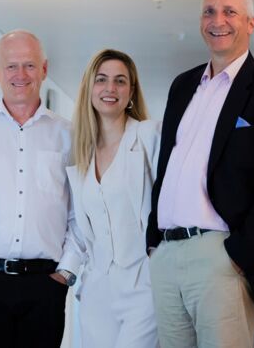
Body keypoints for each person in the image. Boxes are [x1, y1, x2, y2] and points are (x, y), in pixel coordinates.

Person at [146, 0, 254, 347]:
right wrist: (153, 242)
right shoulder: (182, 86)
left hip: (219, 256)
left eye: (229, 11)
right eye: (209, 11)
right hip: (167, 256)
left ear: (250, 23)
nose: (217, 19)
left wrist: (238, 254)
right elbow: (166, 168)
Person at [0, 30, 82, 348]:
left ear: (44, 69)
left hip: (46, 285)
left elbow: (80, 213)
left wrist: (66, 272)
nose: (20, 75)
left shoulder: (70, 136)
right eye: (11, 66)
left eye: (29, 65)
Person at [66, 49, 159, 347]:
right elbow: (81, 227)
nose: (110, 89)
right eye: (102, 80)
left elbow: (169, 207)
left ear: (131, 91)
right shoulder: (81, 153)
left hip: (144, 285)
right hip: (97, 289)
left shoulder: (148, 137)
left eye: (120, 81)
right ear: (89, 88)